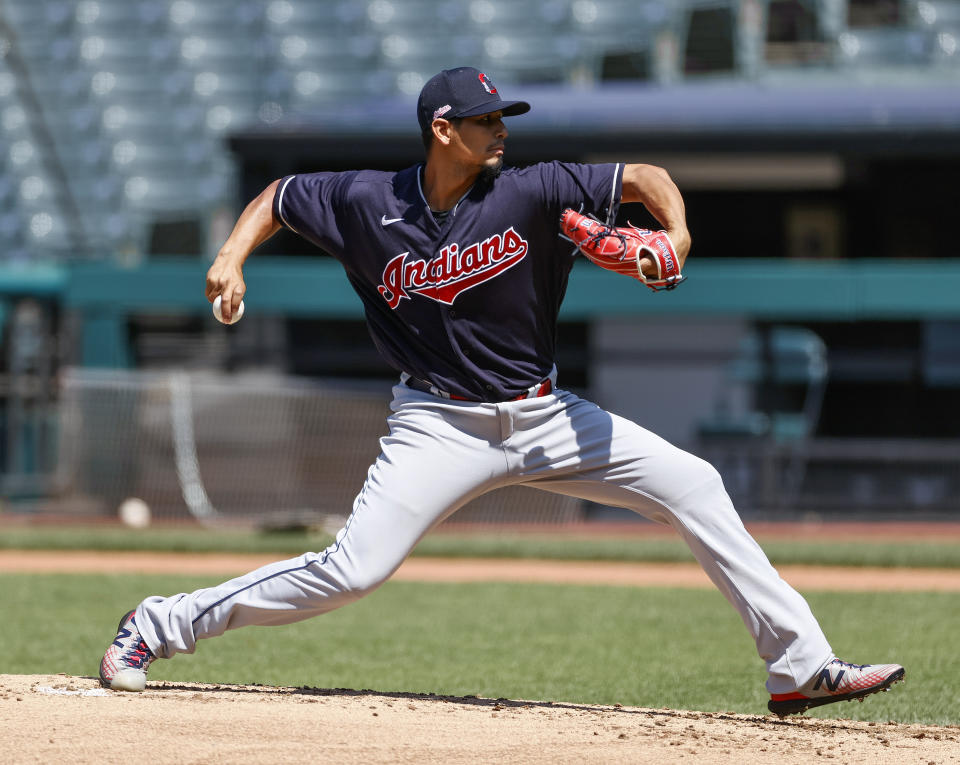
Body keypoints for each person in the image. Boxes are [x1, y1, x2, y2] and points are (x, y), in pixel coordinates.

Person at [99, 67, 903, 716]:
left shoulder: (532, 189)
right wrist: (232, 256)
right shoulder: (367, 202)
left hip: (546, 414)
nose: (502, 130)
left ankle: (798, 666)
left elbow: (645, 178)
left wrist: (678, 232)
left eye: (503, 118)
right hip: (437, 425)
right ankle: (158, 623)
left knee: (694, 482)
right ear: (442, 130)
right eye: (486, 120)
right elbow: (277, 198)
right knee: (352, 571)